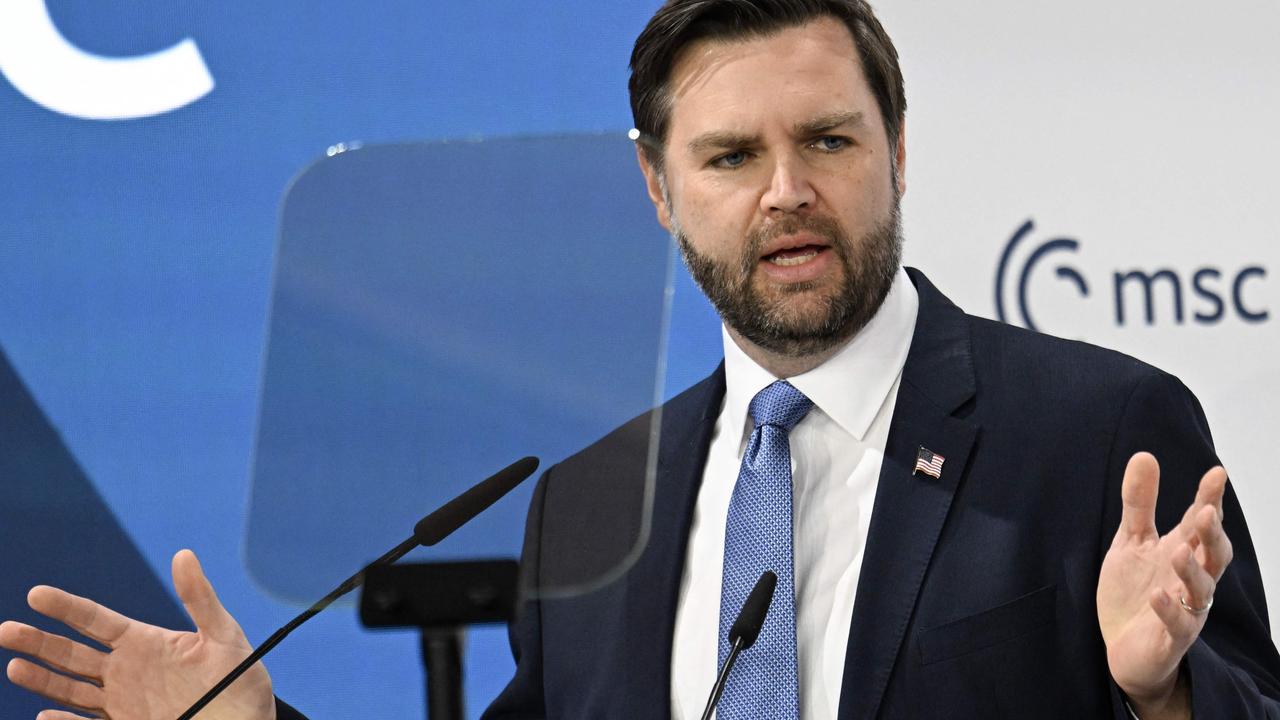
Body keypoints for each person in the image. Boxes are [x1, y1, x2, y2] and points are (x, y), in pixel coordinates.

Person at [3, 1, 1279, 718]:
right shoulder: (592, 501)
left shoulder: (1099, 426)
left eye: (827, 140)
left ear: (897, 148)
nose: (786, 193)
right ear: (655, 188)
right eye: (729, 158)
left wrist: (1153, 699)